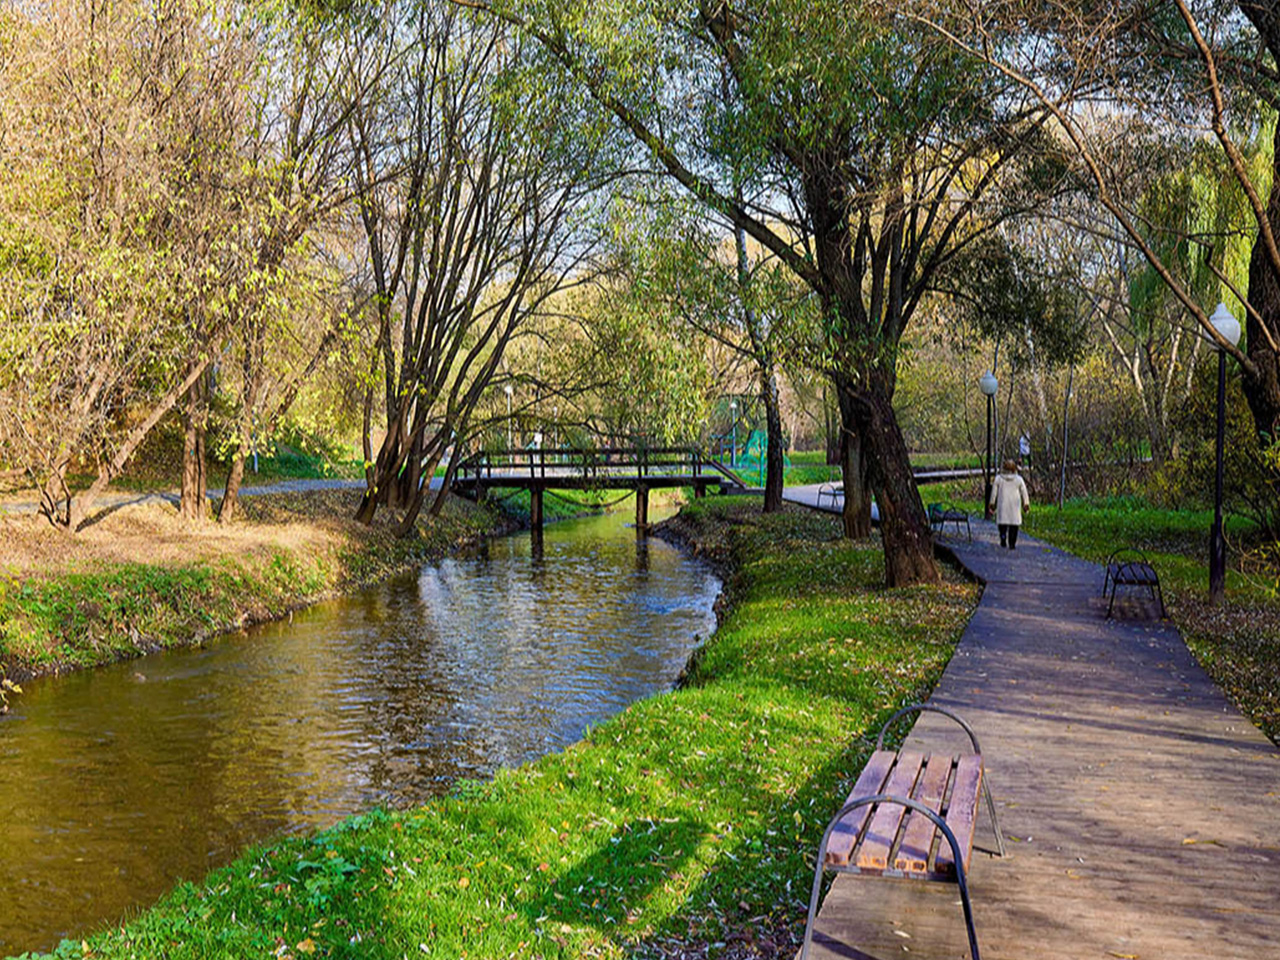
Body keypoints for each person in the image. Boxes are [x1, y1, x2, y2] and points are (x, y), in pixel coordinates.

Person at [990, 459, 1030, 549]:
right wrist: (1026, 505)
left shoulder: (999, 479)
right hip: (1014, 507)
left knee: (1002, 524)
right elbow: (1024, 493)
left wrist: (992, 504)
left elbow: (994, 493)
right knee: (1014, 526)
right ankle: (1012, 543)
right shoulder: (1019, 480)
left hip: (1003, 506)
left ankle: (1003, 537)